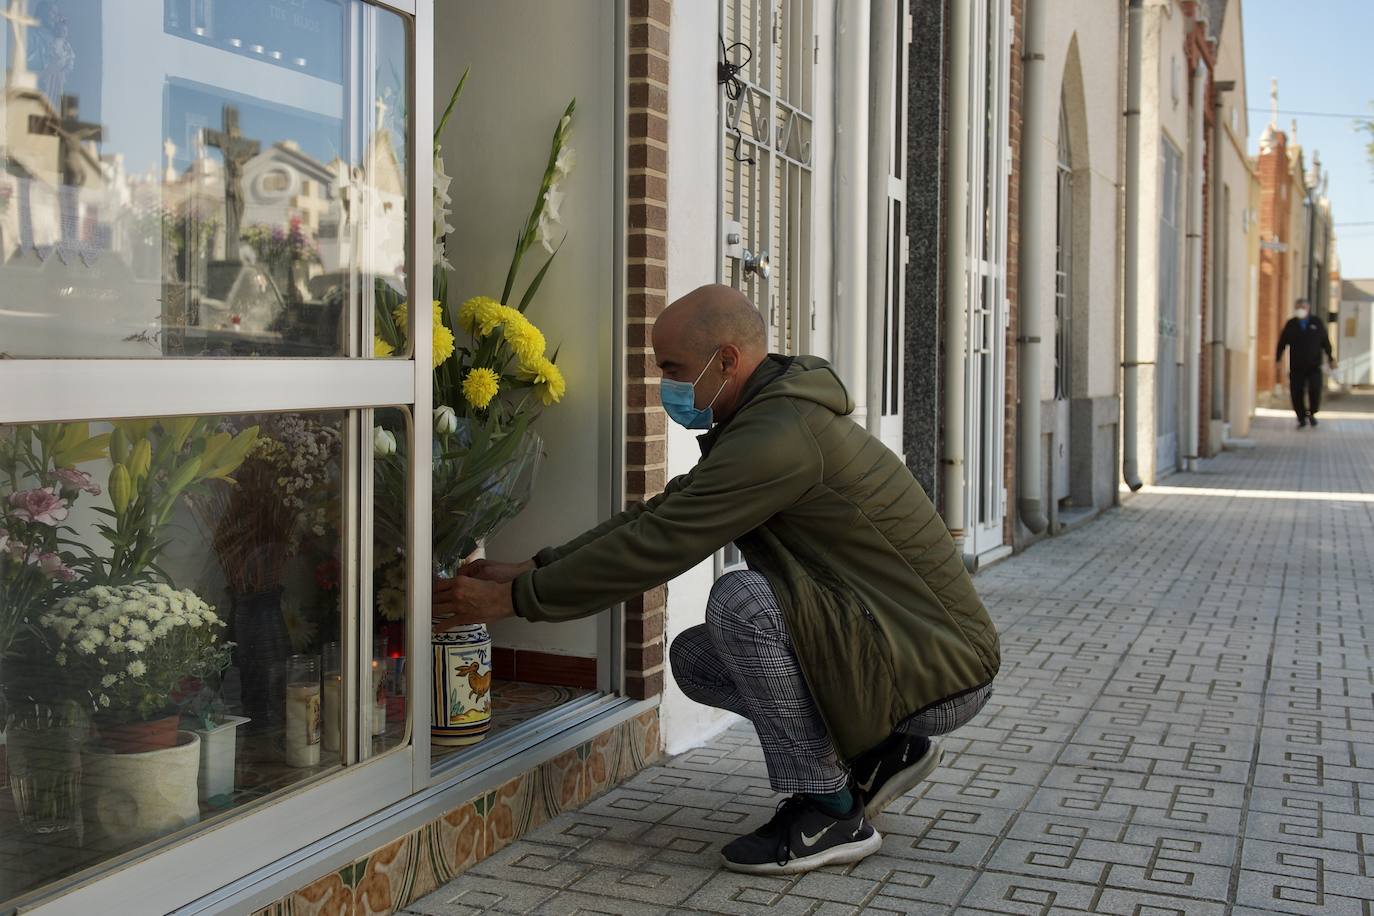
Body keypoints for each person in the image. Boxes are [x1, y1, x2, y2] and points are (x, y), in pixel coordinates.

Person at [433, 284, 1000, 876]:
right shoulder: (767, 417)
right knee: (697, 658)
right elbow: (657, 515)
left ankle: (831, 810)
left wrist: (515, 600)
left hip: (938, 671)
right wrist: (535, 568)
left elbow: (659, 545)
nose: (664, 386)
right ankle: (881, 752)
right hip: (899, 649)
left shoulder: (779, 436)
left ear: (726, 361)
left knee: (742, 603)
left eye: (673, 368)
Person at [1276, 298, 1336, 428]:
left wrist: (1331, 358)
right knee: (1296, 392)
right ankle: (1301, 417)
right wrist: (1278, 359)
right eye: (1298, 307)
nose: (1300, 310)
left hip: (1314, 365)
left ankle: (1312, 413)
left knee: (1315, 389)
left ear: (1308, 308)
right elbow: (1281, 343)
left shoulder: (1316, 323)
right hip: (1297, 366)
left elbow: (1326, 342)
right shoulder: (1291, 324)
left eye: (1302, 307)